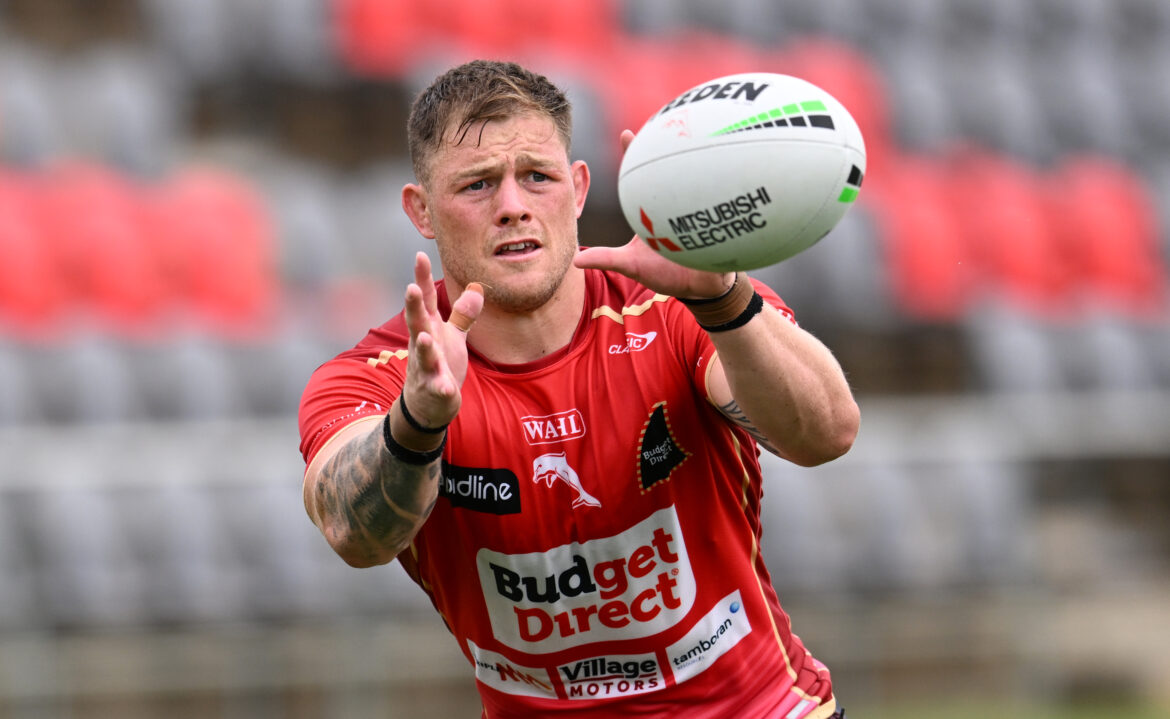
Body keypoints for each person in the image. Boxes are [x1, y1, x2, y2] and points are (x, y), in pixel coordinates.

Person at [298, 59, 858, 719]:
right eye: (477, 185)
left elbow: (828, 432)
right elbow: (353, 533)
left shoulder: (680, 303)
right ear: (420, 210)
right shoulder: (384, 375)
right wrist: (418, 421)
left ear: (580, 187)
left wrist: (725, 299)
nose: (513, 206)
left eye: (537, 176)